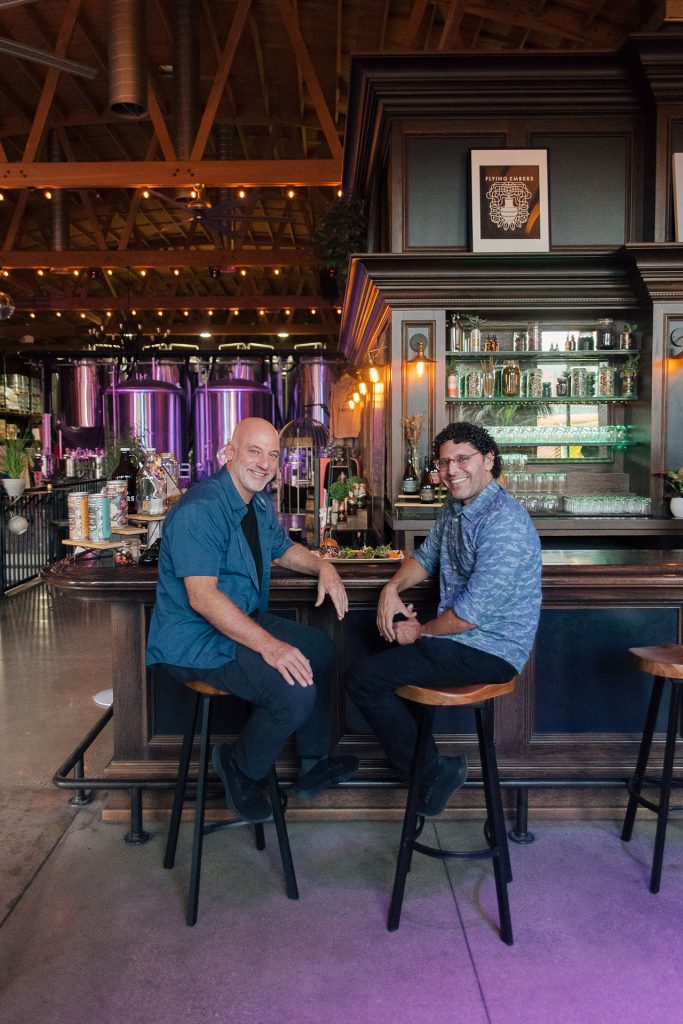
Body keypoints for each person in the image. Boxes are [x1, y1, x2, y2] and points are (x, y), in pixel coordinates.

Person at [147, 417, 358, 823]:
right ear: (229, 452)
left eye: (273, 455)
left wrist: (322, 567)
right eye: (254, 451)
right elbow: (203, 598)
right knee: (294, 693)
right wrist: (271, 647)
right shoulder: (201, 509)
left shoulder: (256, 501)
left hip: (239, 619)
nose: (265, 463)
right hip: (195, 640)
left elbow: (282, 549)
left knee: (320, 649)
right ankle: (239, 768)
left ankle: (313, 765)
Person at [345, 421, 541, 817]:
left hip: (491, 649)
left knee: (362, 678)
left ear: (488, 460)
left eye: (462, 459)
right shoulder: (455, 509)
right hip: (460, 641)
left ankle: (431, 772)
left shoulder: (503, 522)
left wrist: (419, 632)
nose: (452, 470)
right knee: (380, 646)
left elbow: (469, 617)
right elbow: (425, 557)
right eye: (444, 462)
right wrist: (391, 589)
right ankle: (429, 771)